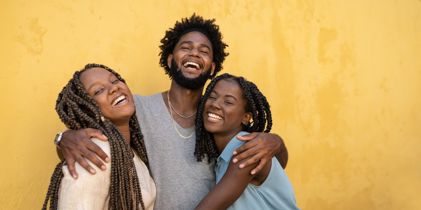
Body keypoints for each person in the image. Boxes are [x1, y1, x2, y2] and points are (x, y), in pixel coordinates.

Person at [55, 14, 288, 209]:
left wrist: (276, 142)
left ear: (212, 68)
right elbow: (93, 138)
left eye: (204, 51)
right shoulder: (134, 108)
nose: (194, 53)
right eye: (186, 47)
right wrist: (63, 138)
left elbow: (266, 164)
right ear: (170, 59)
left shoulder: (217, 120)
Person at [43, 64, 156, 210]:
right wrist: (62, 138)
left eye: (115, 81)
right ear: (87, 108)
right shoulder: (94, 153)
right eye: (98, 90)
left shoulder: (132, 152)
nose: (114, 88)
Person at [195, 73, 299, 210]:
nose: (215, 104)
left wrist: (278, 142)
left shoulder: (247, 149)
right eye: (212, 97)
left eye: (228, 102)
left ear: (246, 117)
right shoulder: (221, 158)